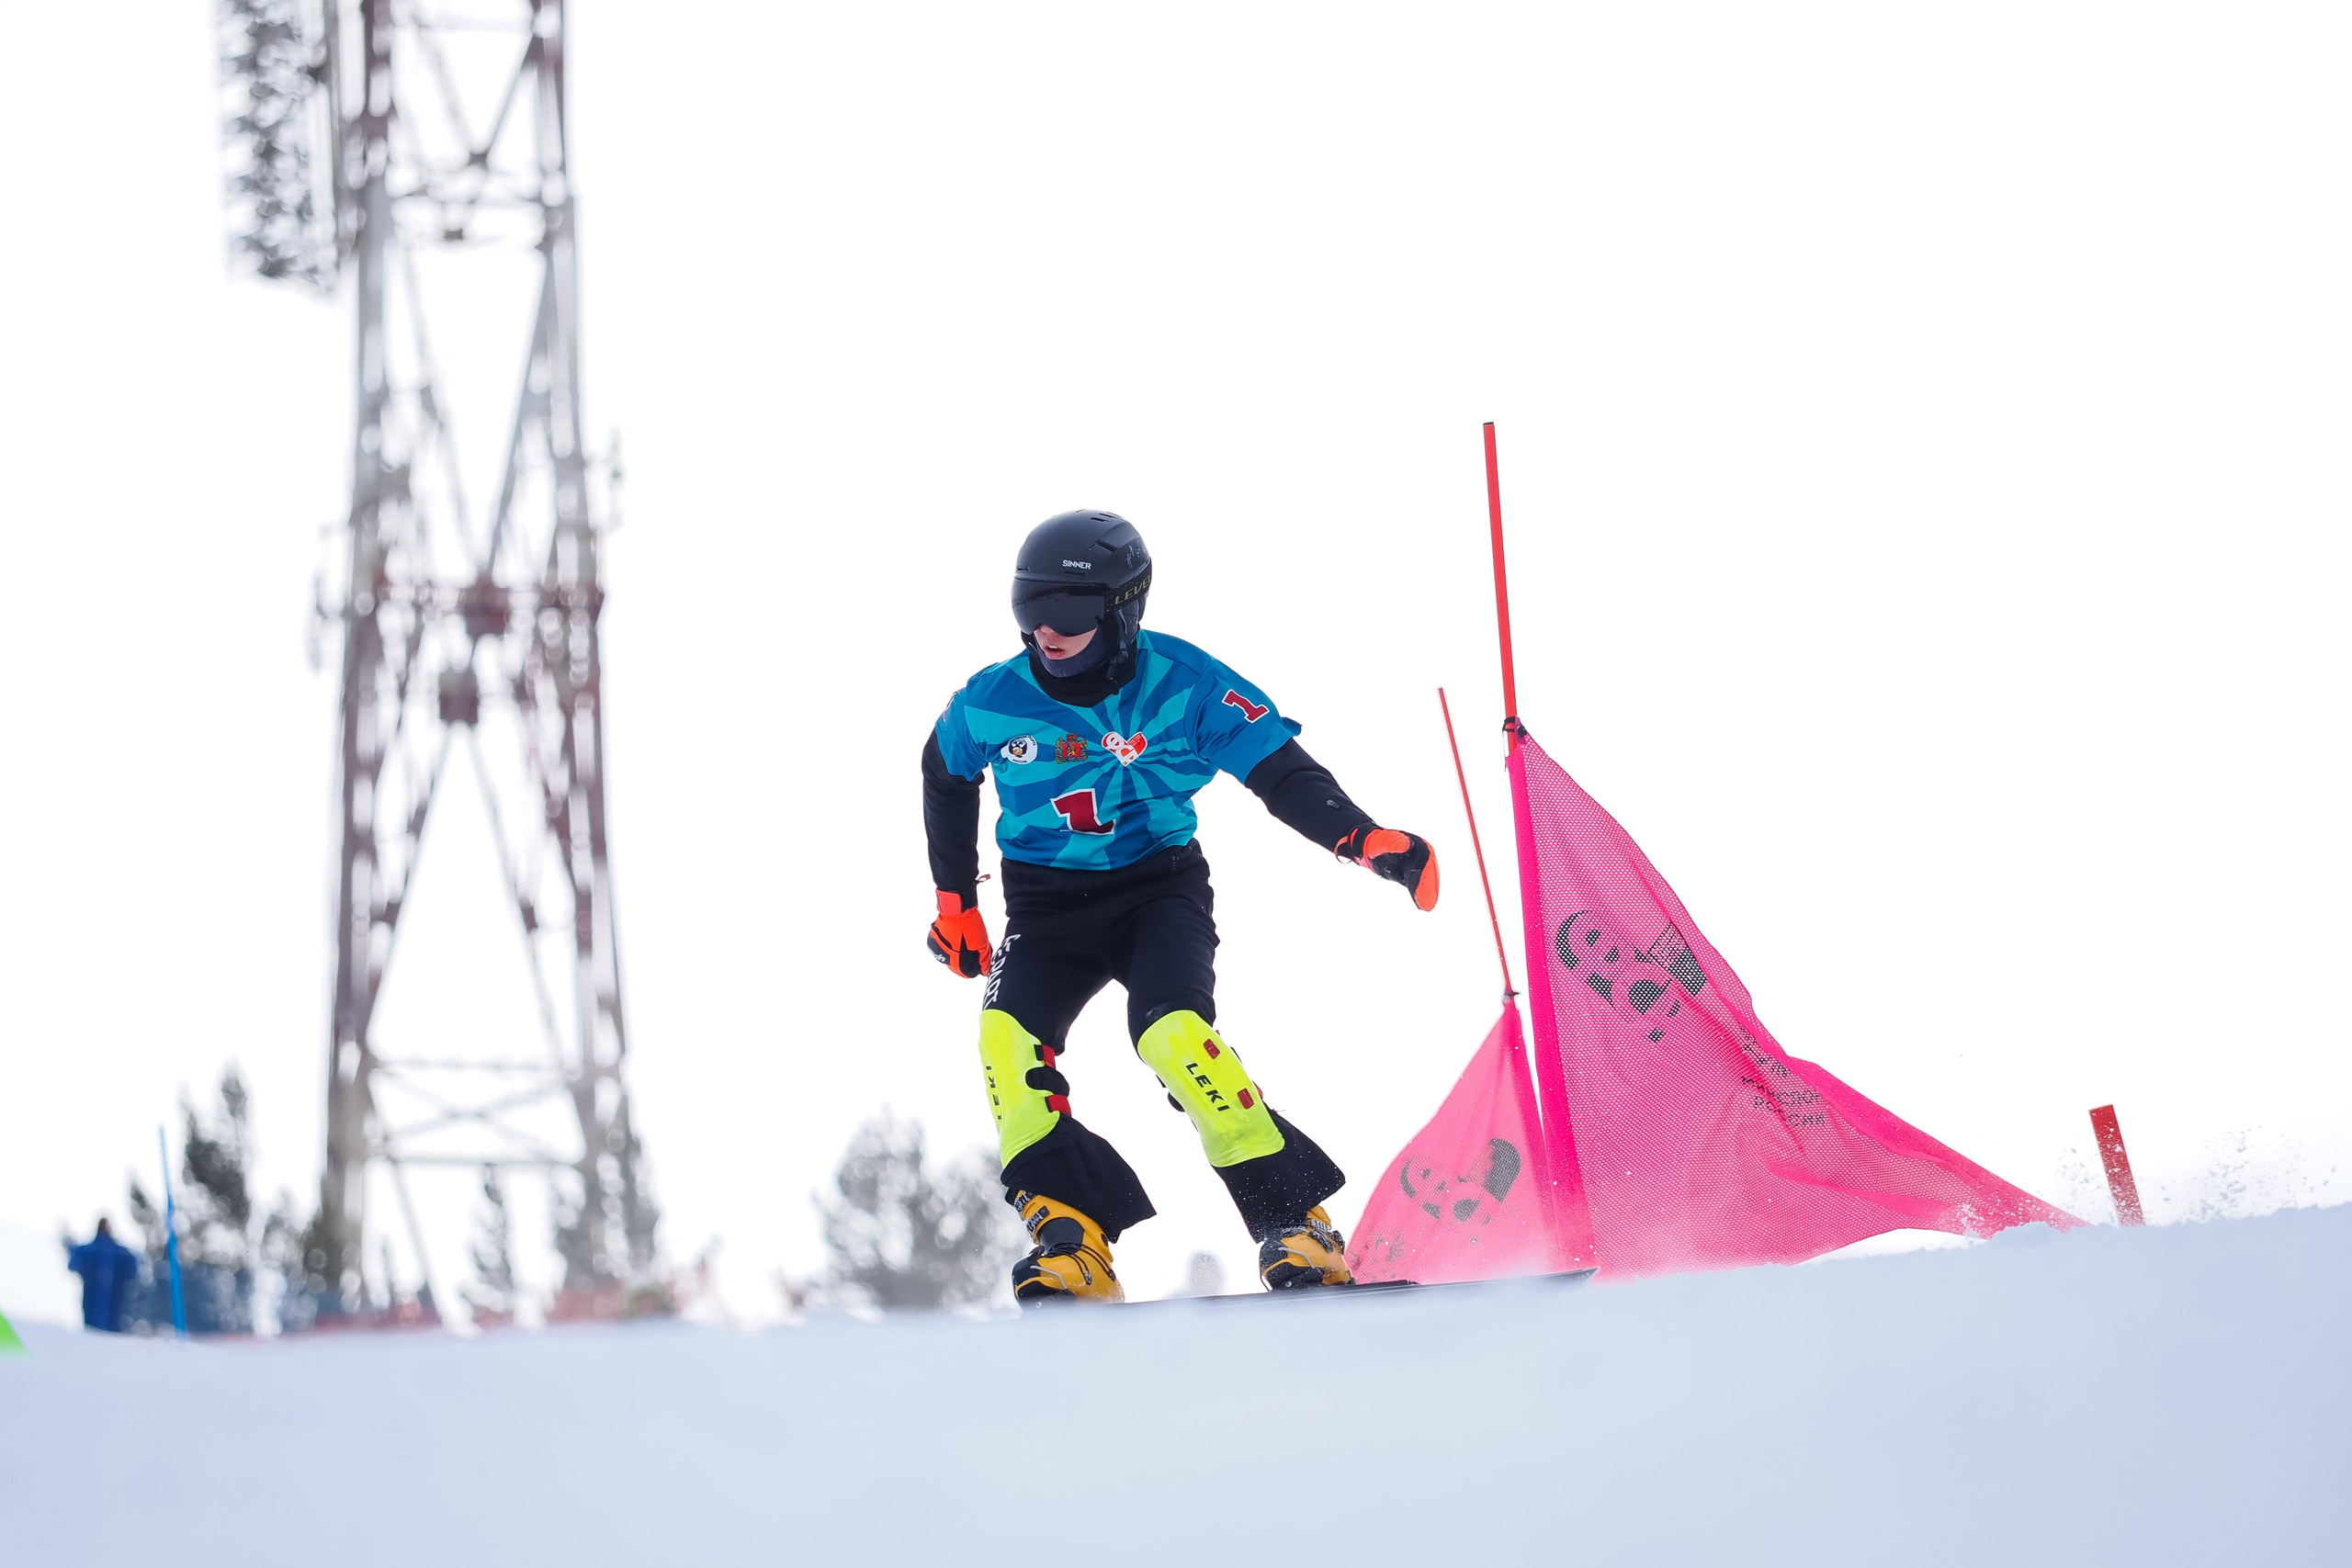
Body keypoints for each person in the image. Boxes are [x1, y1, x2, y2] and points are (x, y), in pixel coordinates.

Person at [923, 511, 1440, 1303]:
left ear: (1121, 613)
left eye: (1067, 615)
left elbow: (1280, 770)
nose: (1045, 634)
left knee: (1173, 1036)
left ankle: (1297, 1223)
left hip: (1155, 891)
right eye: (1030, 612)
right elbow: (944, 771)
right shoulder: (991, 700)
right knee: (1005, 1042)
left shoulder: (1186, 683)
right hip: (1043, 907)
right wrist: (956, 902)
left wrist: (1360, 836)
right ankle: (1072, 1240)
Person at [65, 1219, 141, 1334]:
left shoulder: (119, 1253)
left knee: (111, 1330)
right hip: (92, 1300)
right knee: (93, 1330)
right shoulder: (91, 1251)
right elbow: (74, 1264)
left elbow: (134, 1269)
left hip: (115, 1303)